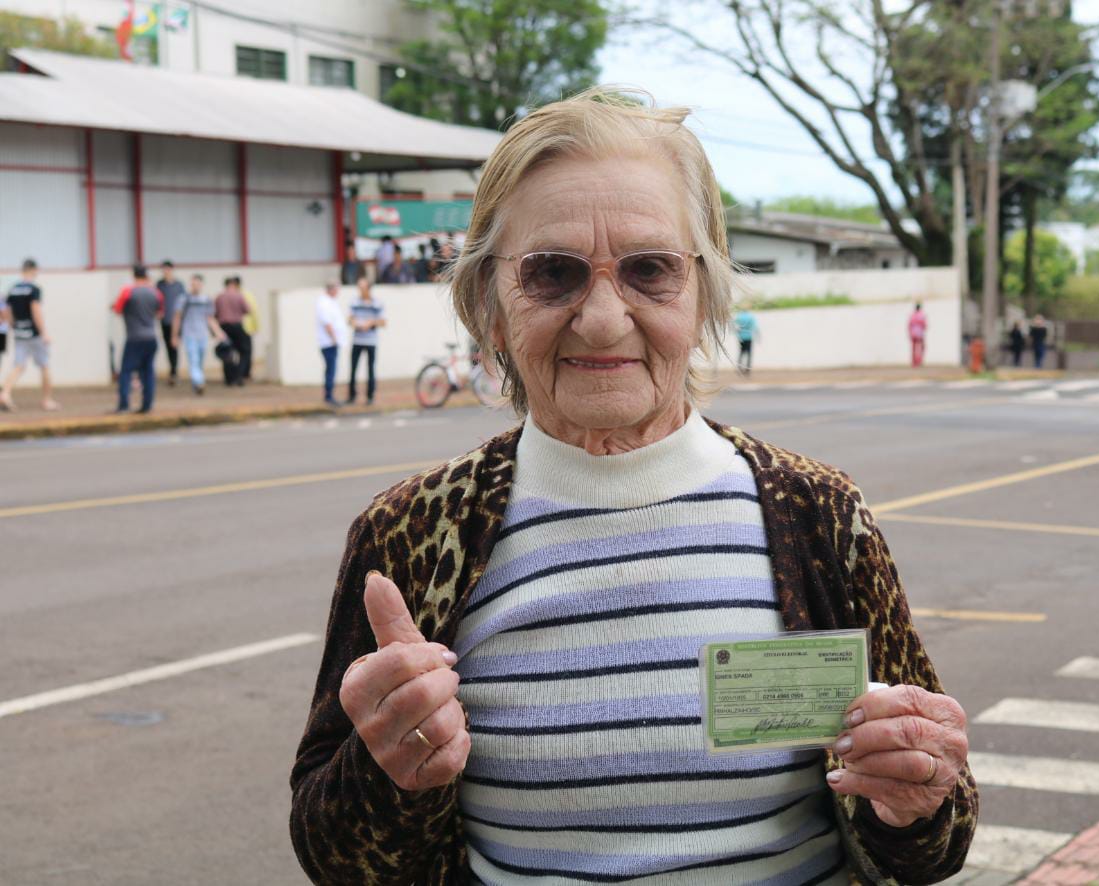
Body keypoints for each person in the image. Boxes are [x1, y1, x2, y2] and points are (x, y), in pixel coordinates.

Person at [290, 88, 976, 886]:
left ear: (705, 293)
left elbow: (935, 839)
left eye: (650, 269)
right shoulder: (411, 533)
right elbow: (332, 854)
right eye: (553, 274)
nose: (604, 319)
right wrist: (390, 774)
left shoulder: (817, 515)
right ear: (489, 305)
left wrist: (918, 794)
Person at [0, 258, 58, 412]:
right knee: (44, 366)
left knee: (18, 366)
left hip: (20, 333)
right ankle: (47, 400)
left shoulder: (12, 289)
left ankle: (5, 393)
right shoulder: (34, 289)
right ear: (33, 270)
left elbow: (6, 312)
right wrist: (44, 332)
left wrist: (14, 325)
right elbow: (36, 310)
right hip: (34, 334)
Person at [112, 264, 163, 414]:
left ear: (134, 275)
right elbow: (159, 313)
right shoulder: (156, 293)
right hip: (151, 337)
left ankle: (124, 404)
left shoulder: (128, 291)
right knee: (148, 371)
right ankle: (147, 405)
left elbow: (117, 309)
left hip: (134, 338)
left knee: (126, 371)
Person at [170, 274, 224, 395]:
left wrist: (218, 332)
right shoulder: (183, 299)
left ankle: (197, 382)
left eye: (198, 284)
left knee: (199, 361)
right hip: (189, 334)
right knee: (193, 360)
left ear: (202, 285)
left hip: (202, 334)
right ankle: (199, 382)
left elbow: (210, 318)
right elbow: (177, 317)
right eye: (193, 284)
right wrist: (175, 335)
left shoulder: (206, 300)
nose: (195, 286)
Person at [346, 278, 385, 405]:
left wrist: (371, 323)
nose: (360, 290)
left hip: (371, 341)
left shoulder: (377, 303)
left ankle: (370, 396)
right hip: (357, 340)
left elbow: (383, 321)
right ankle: (352, 396)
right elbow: (349, 319)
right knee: (353, 369)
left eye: (363, 287)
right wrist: (356, 324)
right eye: (359, 287)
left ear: (368, 288)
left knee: (370, 369)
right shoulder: (354, 302)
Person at [215, 276, 252, 386]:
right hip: (237, 326)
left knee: (227, 352)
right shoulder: (239, 295)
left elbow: (214, 313)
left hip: (223, 327)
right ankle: (239, 376)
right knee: (245, 351)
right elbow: (248, 310)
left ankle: (229, 379)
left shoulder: (219, 297)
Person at [156, 260, 186, 386]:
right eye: (164, 269)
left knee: (175, 345)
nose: (166, 271)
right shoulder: (159, 285)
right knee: (169, 346)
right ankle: (173, 371)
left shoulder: (179, 285)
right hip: (165, 320)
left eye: (167, 269)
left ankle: (174, 371)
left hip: (177, 320)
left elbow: (184, 302)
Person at [316, 280, 346, 407]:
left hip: (332, 342)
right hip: (328, 342)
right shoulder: (324, 303)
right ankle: (329, 395)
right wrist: (334, 338)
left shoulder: (330, 302)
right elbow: (327, 323)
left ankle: (329, 394)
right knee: (330, 370)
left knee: (331, 369)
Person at [236, 276, 260, 381]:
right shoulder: (247, 295)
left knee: (237, 351)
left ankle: (238, 373)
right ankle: (244, 373)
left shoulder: (228, 294)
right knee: (246, 352)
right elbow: (254, 311)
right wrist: (256, 326)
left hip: (236, 328)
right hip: (246, 328)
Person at [734, 305, 758, 374]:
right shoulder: (750, 317)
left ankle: (739, 368)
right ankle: (748, 369)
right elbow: (755, 327)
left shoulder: (739, 317)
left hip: (741, 337)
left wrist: (737, 332)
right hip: (748, 337)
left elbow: (734, 325)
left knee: (741, 353)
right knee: (749, 353)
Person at [908, 301, 928, 367]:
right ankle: (919, 361)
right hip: (919, 333)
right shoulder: (922, 315)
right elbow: (924, 325)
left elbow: (909, 325)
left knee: (913, 348)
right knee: (921, 347)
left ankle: (914, 362)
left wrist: (910, 332)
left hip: (913, 333)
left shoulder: (912, 315)